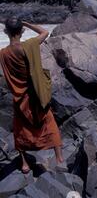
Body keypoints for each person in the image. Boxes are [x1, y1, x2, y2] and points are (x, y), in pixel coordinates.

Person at [0, 18, 63, 174]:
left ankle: (24, 164)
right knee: (49, 122)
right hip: (36, 93)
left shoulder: (3, 53)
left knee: (20, 128)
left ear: (5, 32)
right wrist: (27, 24)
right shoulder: (29, 45)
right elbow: (45, 32)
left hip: (20, 96)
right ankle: (60, 158)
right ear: (22, 31)